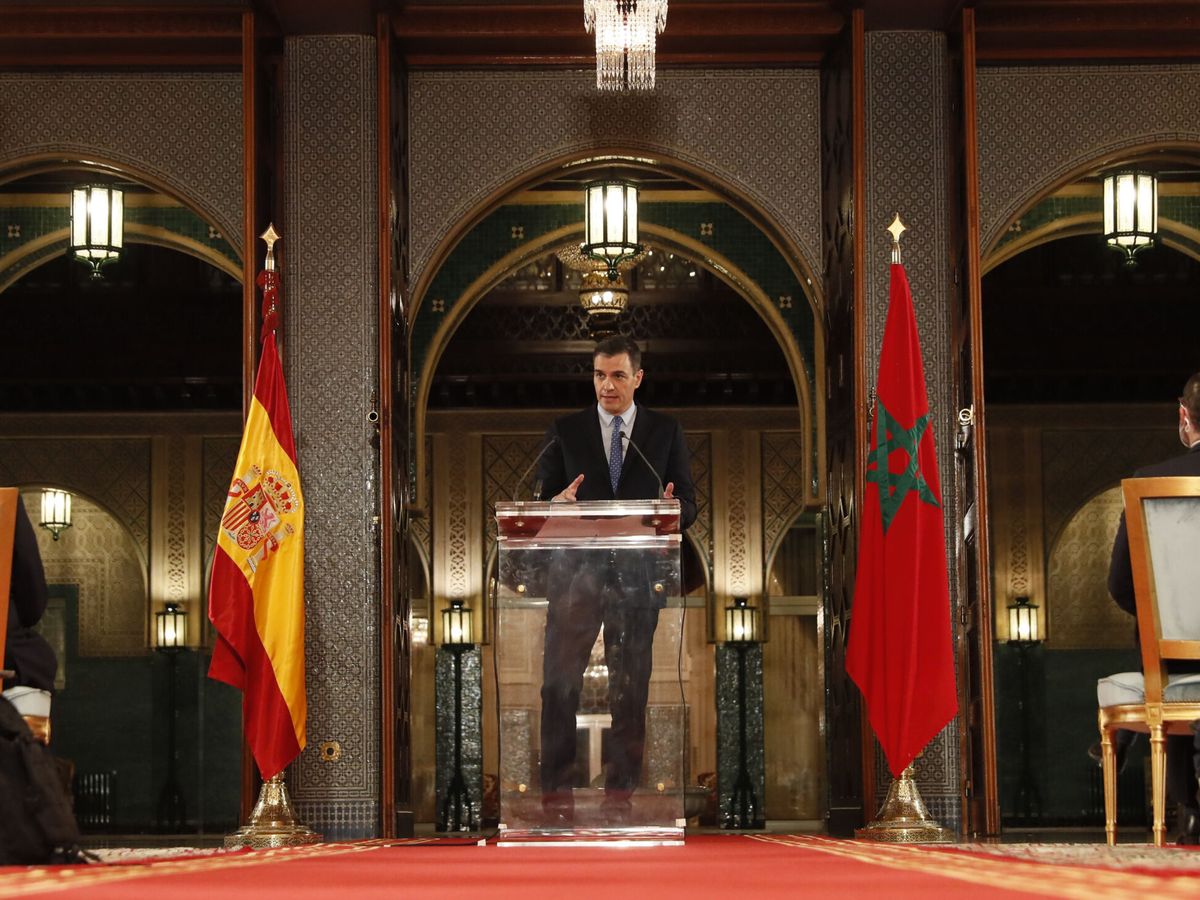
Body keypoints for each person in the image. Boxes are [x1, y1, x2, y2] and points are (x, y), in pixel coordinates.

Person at [535, 335, 697, 824]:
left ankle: (618, 799)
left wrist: (672, 510)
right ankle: (557, 799)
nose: (607, 385)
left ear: (638, 378)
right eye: (600, 375)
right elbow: (542, 500)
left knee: (631, 688)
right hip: (575, 579)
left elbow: (689, 503)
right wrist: (554, 503)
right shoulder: (566, 430)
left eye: (618, 376)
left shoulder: (665, 432)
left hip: (639, 576)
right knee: (558, 686)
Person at [1107, 371, 1200, 844]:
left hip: (1176, 657)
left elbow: (1121, 585)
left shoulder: (1149, 483)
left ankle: (1190, 809)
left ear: (1184, 417)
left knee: (1163, 649)